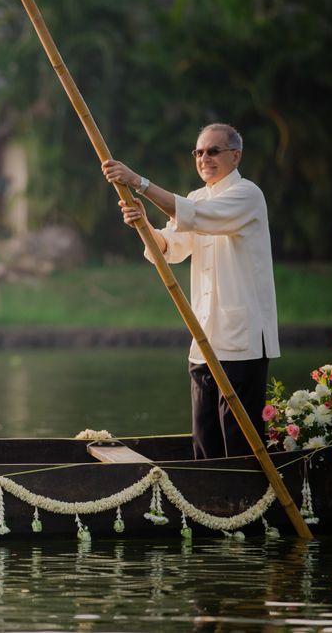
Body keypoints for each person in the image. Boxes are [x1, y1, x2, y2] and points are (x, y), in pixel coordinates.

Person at [101, 123, 279, 459]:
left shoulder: (247, 195)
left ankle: (243, 504)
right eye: (199, 152)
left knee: (239, 441)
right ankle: (206, 507)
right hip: (203, 339)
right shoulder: (196, 198)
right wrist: (142, 224)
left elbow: (196, 217)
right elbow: (171, 248)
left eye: (213, 151)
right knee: (204, 436)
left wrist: (138, 183)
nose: (204, 158)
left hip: (242, 341)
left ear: (235, 155)